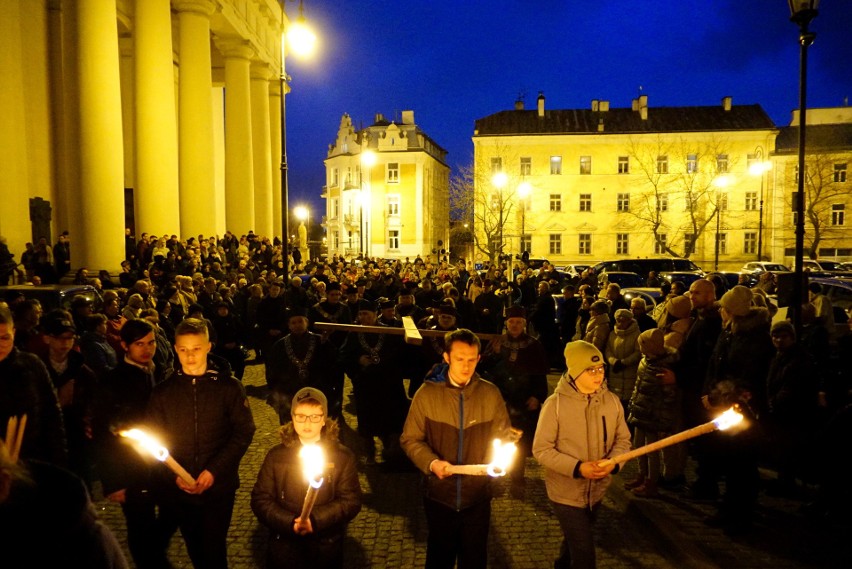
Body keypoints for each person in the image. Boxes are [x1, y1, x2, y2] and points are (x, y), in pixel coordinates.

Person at [147, 318, 256, 569]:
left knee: (214, 548)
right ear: (175, 348)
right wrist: (173, 474)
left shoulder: (228, 387)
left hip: (218, 488)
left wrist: (214, 470)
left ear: (208, 346)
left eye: (196, 348)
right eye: (184, 349)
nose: (190, 356)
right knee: (194, 546)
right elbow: (154, 438)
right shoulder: (163, 392)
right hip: (179, 489)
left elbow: (243, 431)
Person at [400, 329, 512, 569]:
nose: (466, 366)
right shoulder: (426, 395)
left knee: (474, 558)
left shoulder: (490, 394)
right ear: (447, 358)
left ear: (479, 359)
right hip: (440, 496)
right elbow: (410, 439)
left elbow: (502, 437)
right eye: (460, 359)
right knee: (440, 556)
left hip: (477, 497)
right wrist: (431, 463)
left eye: (472, 359)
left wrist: (505, 449)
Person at [532, 340, 631, 569]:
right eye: (590, 370)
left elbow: (623, 440)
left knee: (574, 542)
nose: (598, 375)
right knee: (585, 554)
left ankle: (561, 565)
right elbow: (541, 449)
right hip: (565, 494)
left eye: (601, 369)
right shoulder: (555, 405)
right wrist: (578, 467)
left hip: (596, 491)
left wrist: (614, 464)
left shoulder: (612, 402)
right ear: (576, 372)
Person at [251, 388, 362, 569]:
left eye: (314, 417)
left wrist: (316, 520)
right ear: (292, 418)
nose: (307, 423)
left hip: (325, 545)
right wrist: (289, 522)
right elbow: (261, 499)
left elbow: (350, 501)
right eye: (301, 416)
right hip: (284, 546)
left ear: (324, 419)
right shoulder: (276, 456)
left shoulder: (342, 457)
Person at [92, 319, 170, 568]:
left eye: (151, 342)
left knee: (171, 515)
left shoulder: (158, 372)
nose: (147, 349)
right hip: (131, 470)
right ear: (125, 345)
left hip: (162, 465)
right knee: (140, 526)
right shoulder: (113, 382)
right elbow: (103, 435)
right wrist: (114, 482)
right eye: (139, 344)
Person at [479, 306, 548, 495]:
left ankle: (518, 476)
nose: (515, 325)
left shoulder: (534, 345)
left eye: (518, 322)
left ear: (524, 324)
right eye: (512, 322)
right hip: (499, 399)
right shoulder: (496, 342)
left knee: (519, 440)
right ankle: (494, 474)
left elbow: (540, 373)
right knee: (495, 439)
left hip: (523, 400)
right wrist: (494, 353)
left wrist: (537, 396)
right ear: (506, 323)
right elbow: (483, 365)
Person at [0, 305, 67, 466]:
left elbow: (52, 415)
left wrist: (58, 461)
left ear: (14, 333)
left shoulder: (32, 365)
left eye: (4, 338)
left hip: (30, 463)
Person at [624, 328, 679, 498]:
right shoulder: (645, 361)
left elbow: (669, 397)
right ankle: (641, 475)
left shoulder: (664, 366)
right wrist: (633, 403)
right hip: (641, 410)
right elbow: (638, 385)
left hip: (653, 415)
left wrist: (665, 421)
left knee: (651, 450)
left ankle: (651, 481)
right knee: (639, 447)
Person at [266, 308, 342, 423]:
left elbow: (333, 367)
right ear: (289, 325)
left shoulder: (320, 341)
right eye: (293, 322)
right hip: (290, 395)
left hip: (318, 392)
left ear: (306, 322)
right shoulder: (279, 346)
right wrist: (277, 395)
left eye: (300, 321)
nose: (297, 325)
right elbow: (272, 371)